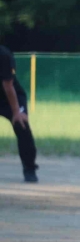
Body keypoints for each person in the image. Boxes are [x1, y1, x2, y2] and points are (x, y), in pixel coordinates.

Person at [0, 45, 38, 182]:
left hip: (11, 98)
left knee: (21, 125)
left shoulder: (3, 55)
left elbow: (8, 86)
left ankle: (29, 169)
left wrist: (16, 112)